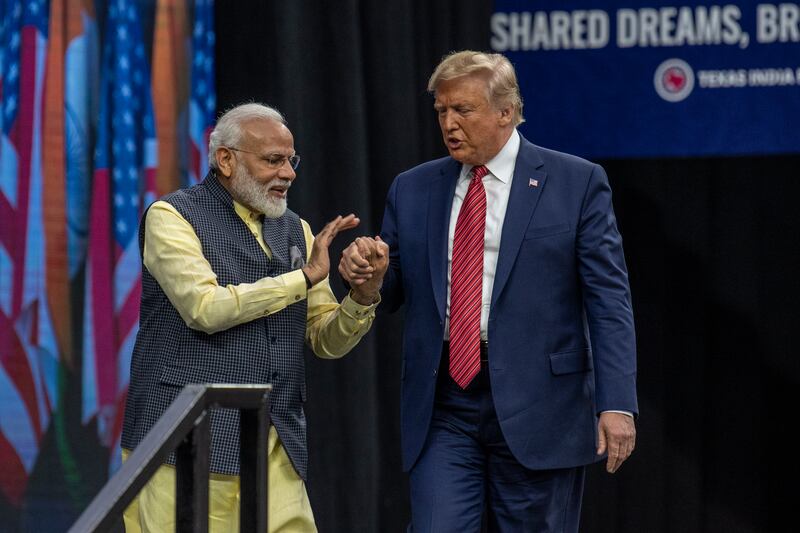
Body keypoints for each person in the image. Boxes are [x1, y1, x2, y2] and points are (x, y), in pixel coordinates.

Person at [340, 51, 637, 532]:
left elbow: (609, 301)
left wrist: (616, 402)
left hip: (542, 404)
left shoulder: (576, 182)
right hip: (446, 405)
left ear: (506, 112)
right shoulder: (412, 189)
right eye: (441, 111)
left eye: (463, 110)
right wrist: (369, 277)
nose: (449, 123)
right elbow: (391, 288)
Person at [121, 102, 386, 532]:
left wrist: (362, 295)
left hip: (275, 441)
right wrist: (301, 278)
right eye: (273, 160)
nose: (289, 173)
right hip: (183, 441)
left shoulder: (296, 229)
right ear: (226, 159)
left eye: (291, 160)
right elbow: (205, 309)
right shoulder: (171, 217)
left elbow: (325, 339)